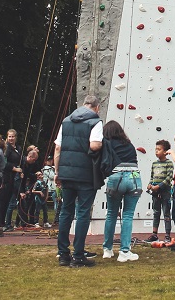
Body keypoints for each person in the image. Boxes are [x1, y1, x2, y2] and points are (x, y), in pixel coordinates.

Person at [54, 94, 104, 267]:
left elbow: (58, 147)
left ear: (83, 105)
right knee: (82, 212)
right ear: (96, 107)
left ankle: (63, 254)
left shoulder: (66, 121)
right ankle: (78, 255)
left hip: (66, 172)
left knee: (65, 212)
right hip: (85, 174)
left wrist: (57, 171)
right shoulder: (95, 122)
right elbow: (94, 145)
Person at [99, 121, 142, 262]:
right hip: (134, 177)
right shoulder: (129, 144)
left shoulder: (106, 144)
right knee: (128, 215)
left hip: (116, 177)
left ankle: (107, 249)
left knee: (111, 214)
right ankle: (125, 251)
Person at [145, 139, 173, 242]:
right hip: (155, 192)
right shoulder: (154, 164)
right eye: (156, 149)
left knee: (166, 212)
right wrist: (150, 184)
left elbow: (169, 177)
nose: (156, 151)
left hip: (165, 192)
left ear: (165, 151)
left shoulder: (169, 163)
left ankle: (167, 235)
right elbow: (152, 176)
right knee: (156, 212)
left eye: (159, 149)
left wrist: (159, 186)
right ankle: (154, 234)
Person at [0, 129, 23, 231]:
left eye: (13, 136)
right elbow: (4, 163)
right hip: (7, 177)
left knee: (11, 200)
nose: (11, 138)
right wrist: (15, 169)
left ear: (15, 137)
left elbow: (20, 161)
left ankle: (7, 223)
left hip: (15, 177)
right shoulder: (6, 148)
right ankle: (2, 223)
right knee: (5, 201)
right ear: (7, 137)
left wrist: (20, 170)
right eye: (9, 136)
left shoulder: (18, 148)